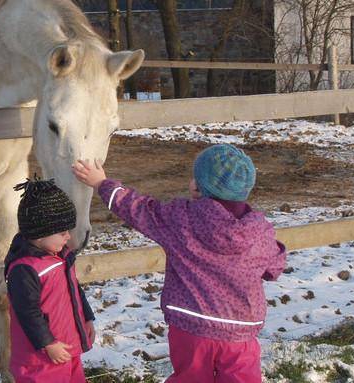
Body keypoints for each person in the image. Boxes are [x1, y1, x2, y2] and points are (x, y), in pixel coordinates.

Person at [72, 144, 286, 383]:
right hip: (240, 332)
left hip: (191, 326)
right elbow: (274, 268)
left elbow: (137, 208)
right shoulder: (259, 232)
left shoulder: (180, 217)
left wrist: (102, 184)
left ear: (196, 186)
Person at [4, 176, 96, 383]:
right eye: (62, 233)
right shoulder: (25, 269)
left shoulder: (61, 256)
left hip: (68, 349)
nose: (68, 238)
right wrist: (48, 343)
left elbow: (75, 290)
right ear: (39, 233)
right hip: (41, 359)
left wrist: (87, 319)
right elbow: (27, 312)